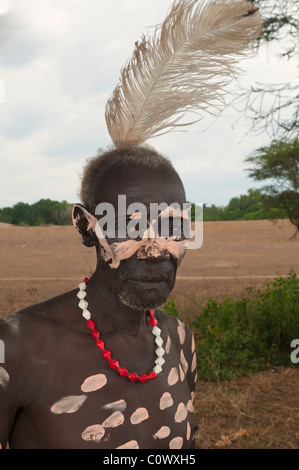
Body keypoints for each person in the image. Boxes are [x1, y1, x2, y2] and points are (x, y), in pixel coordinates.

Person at [0, 146, 198, 449]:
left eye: (172, 226)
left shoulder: (179, 340)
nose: (155, 250)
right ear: (85, 226)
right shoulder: (17, 348)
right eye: (129, 227)